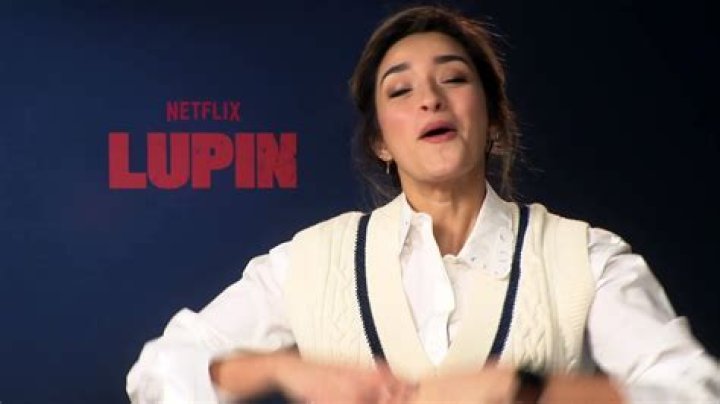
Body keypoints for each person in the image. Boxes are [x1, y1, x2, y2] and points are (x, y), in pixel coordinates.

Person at [127, 5, 720, 403]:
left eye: (453, 79)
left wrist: (524, 389)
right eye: (400, 90)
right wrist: (281, 369)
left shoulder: (585, 258)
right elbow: (157, 373)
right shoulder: (310, 261)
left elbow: (692, 391)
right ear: (381, 141)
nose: (430, 99)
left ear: (493, 120)